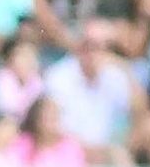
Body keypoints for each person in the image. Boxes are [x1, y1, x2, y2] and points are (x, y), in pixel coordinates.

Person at [41, 16, 137, 154]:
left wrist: (125, 69)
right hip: (70, 149)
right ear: (80, 46)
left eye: (107, 47)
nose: (98, 52)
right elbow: (53, 129)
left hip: (108, 147)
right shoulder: (58, 76)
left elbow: (138, 114)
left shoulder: (114, 75)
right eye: (93, 45)